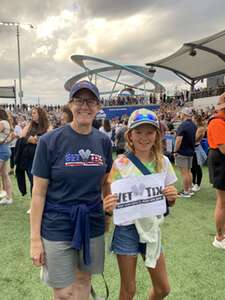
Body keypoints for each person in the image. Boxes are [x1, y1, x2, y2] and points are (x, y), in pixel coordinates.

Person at [30, 80, 113, 300]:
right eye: (79, 100)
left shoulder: (103, 142)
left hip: (91, 222)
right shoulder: (49, 141)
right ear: (70, 104)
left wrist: (108, 214)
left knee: (84, 281)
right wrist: (35, 240)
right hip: (57, 222)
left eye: (91, 101)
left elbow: (105, 183)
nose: (85, 106)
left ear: (98, 106)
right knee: (64, 292)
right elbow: (38, 193)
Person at [104, 108, 177, 300]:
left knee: (163, 288)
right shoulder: (120, 163)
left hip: (151, 228)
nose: (144, 137)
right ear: (129, 135)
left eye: (150, 132)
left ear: (157, 135)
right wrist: (108, 205)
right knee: (128, 290)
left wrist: (172, 197)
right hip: (126, 228)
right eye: (138, 132)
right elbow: (111, 195)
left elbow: (168, 203)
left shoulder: (164, 162)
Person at [207, 92, 225, 249]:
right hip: (220, 161)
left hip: (220, 159)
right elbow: (223, 148)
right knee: (222, 202)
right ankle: (219, 238)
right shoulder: (218, 122)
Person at [174, 107, 197, 198]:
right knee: (188, 171)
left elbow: (178, 140)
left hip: (183, 151)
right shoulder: (193, 125)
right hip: (190, 151)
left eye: (181, 113)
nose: (180, 115)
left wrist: (175, 150)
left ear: (184, 114)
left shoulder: (183, 125)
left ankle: (186, 191)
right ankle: (189, 190)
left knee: (184, 173)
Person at [0, 108, 13, 205]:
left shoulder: (2, 123)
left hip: (2, 150)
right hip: (5, 149)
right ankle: (8, 197)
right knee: (5, 175)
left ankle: (7, 196)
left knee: (5, 175)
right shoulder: (7, 123)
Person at [191, 115, 207, 192]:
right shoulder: (197, 128)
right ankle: (193, 183)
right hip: (194, 149)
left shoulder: (200, 128)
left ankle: (198, 184)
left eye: (193, 119)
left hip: (197, 149)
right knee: (193, 168)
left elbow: (195, 139)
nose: (192, 121)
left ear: (196, 120)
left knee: (197, 167)